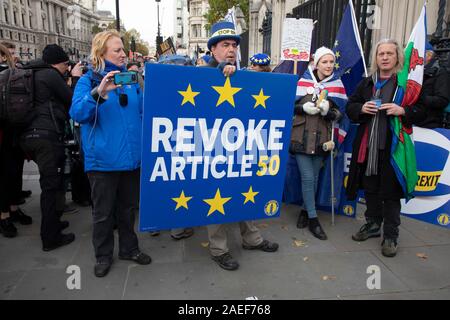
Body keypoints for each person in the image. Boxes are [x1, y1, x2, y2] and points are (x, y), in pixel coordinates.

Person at [70, 30, 151, 278]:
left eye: (123, 50)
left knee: (127, 209)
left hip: (131, 159)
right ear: (101, 52)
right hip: (102, 162)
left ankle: (129, 248)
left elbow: (143, 112)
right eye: (117, 50)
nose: (123, 54)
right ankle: (103, 255)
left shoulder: (131, 81)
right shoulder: (89, 81)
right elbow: (77, 114)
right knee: (103, 214)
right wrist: (100, 93)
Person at [203, 21, 279, 271]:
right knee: (216, 197)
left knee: (245, 190)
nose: (231, 49)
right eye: (225, 45)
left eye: (234, 45)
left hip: (240, 147)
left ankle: (252, 239)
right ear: (213, 49)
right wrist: (218, 72)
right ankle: (219, 249)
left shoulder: (242, 74)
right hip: (213, 150)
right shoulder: (201, 72)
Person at [346, 39, 422, 258]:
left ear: (397, 57)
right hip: (367, 146)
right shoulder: (367, 83)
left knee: (390, 193)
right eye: (381, 54)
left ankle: (390, 235)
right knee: (370, 188)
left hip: (392, 147)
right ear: (376, 58)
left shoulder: (405, 84)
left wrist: (403, 111)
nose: (385, 57)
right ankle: (372, 224)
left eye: (390, 53)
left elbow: (423, 111)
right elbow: (350, 106)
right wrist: (361, 107)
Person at [19, 44, 79, 250]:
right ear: (58, 63)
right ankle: (50, 238)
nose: (66, 68)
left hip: (27, 135)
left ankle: (54, 222)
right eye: (65, 64)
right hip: (46, 136)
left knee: (51, 182)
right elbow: (73, 101)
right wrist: (76, 78)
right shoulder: (51, 75)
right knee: (51, 186)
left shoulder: (29, 72)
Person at [291, 47, 345, 240]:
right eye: (325, 62)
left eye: (331, 62)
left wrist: (327, 112)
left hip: (323, 140)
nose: (329, 65)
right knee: (307, 178)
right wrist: (301, 108)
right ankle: (314, 220)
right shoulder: (302, 81)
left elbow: (341, 115)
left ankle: (305, 211)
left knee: (313, 179)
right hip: (301, 139)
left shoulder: (337, 85)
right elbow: (287, 105)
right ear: (316, 63)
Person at [0, 44, 33, 238]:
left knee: (13, 171)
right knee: (4, 174)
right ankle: (4, 214)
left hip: (13, 129)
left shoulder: (15, 73)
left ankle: (12, 208)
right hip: (6, 131)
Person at [413, 42, 450, 128]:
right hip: (411, 120)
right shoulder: (413, 71)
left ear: (429, 55)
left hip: (429, 124)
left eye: (416, 53)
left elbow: (442, 100)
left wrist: (421, 97)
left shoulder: (441, 73)